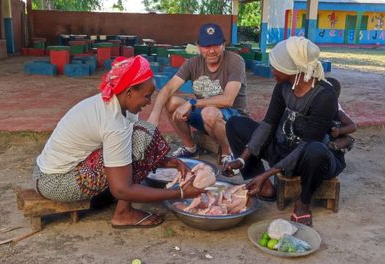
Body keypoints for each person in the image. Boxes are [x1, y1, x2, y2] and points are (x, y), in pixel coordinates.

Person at [32, 56, 204, 228]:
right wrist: (179, 193)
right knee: (141, 137)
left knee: (139, 138)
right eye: (146, 96)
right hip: (54, 182)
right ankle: (123, 213)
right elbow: (121, 189)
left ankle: (116, 203)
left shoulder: (119, 105)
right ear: (129, 92)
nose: (149, 102)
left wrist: (171, 162)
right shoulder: (113, 122)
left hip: (53, 173)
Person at [222, 36, 346, 226]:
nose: (272, 70)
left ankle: (303, 203)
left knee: (315, 150)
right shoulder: (283, 87)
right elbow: (268, 124)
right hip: (283, 149)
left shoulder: (325, 96)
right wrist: (241, 159)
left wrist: (268, 173)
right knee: (235, 124)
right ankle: (262, 186)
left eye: (275, 67)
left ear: (292, 69)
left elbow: (306, 145)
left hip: (313, 160)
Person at [148, 23, 247, 164]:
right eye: (206, 46)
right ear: (198, 47)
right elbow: (168, 89)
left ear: (224, 45)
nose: (211, 51)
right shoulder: (192, 63)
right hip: (206, 114)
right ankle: (190, 148)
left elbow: (228, 100)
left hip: (234, 117)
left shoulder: (235, 61)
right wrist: (154, 116)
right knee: (172, 103)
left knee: (209, 112)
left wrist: (192, 103)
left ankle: (227, 153)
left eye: (216, 45)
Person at [321, 77, 357, 152]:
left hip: (337, 131)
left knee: (345, 139)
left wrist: (339, 131)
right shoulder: (318, 105)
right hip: (327, 130)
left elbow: (353, 126)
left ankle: (337, 145)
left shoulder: (338, 111)